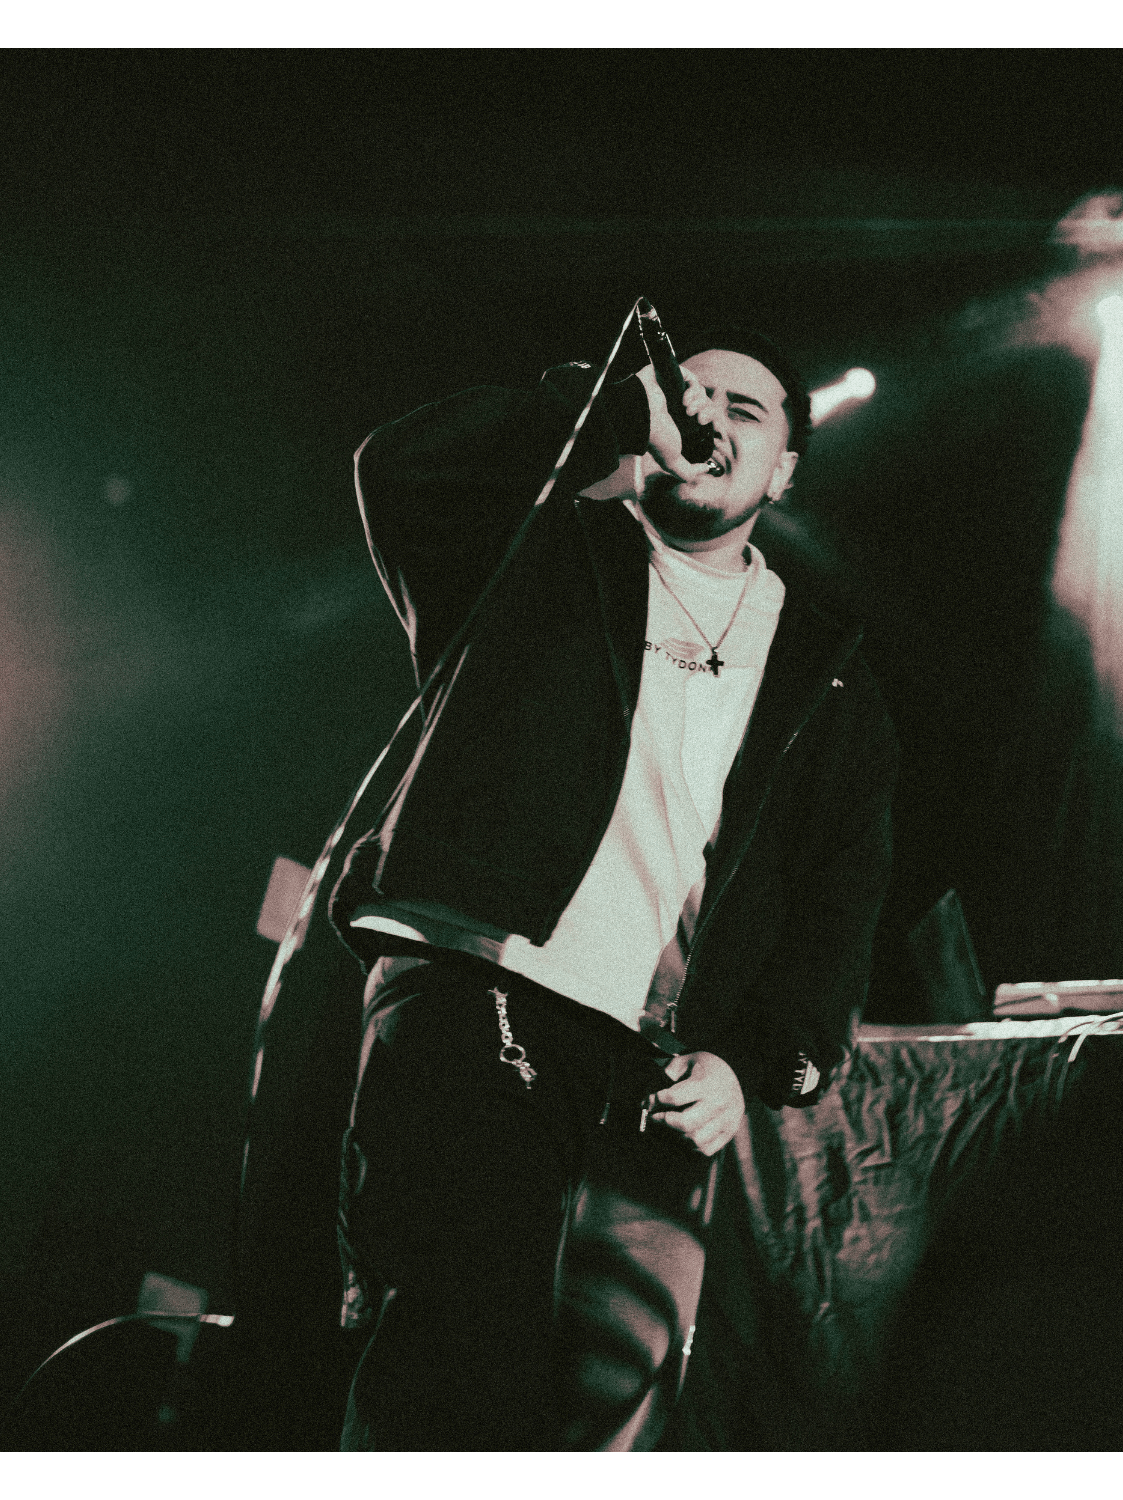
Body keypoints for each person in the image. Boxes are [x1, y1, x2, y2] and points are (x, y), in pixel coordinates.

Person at [329, 321, 898, 1452]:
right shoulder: (539, 551)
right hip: (476, 976)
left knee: (614, 1394)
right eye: (692, 397)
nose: (710, 419)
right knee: (460, 1350)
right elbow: (400, 466)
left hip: (649, 1063)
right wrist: (604, 413)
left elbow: (842, 898)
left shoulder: (828, 670)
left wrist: (759, 1061)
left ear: (785, 468)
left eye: (746, 411)